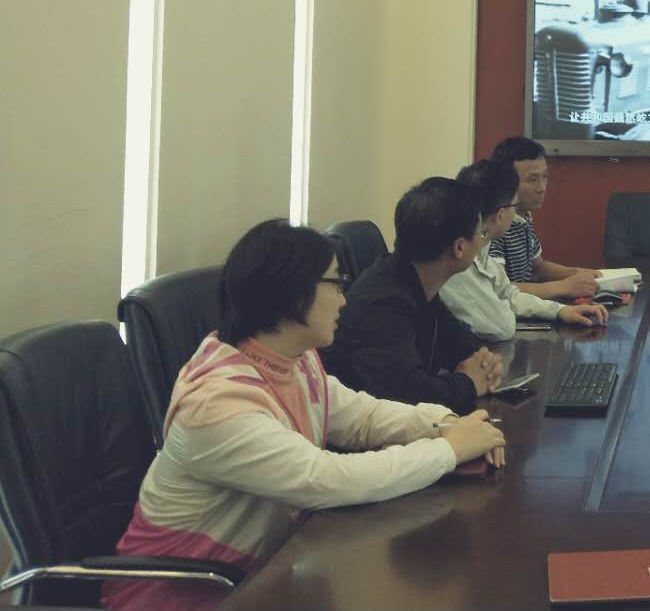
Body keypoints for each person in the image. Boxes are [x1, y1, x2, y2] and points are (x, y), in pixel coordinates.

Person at [105, 220, 504, 611]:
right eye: (336, 284)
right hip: (187, 595)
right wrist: (447, 451)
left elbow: (362, 417)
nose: (345, 300)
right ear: (294, 291)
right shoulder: (217, 404)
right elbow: (324, 479)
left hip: (260, 579)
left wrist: (445, 424)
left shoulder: (292, 360)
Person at [323, 177, 506, 413]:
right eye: (480, 234)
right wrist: (468, 384)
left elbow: (457, 341)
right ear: (459, 247)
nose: (482, 241)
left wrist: (485, 363)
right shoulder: (383, 303)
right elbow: (407, 394)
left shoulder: (416, 280)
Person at [442, 159, 608, 338]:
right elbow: (500, 327)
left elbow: (509, 295)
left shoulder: (482, 247)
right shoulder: (458, 259)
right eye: (514, 205)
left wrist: (560, 311)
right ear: (500, 215)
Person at [489, 136, 602, 299]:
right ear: (506, 183)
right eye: (532, 180)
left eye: (545, 177)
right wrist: (562, 287)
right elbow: (498, 289)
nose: (542, 188)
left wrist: (579, 274)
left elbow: (538, 268)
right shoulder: (495, 225)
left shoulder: (523, 217)